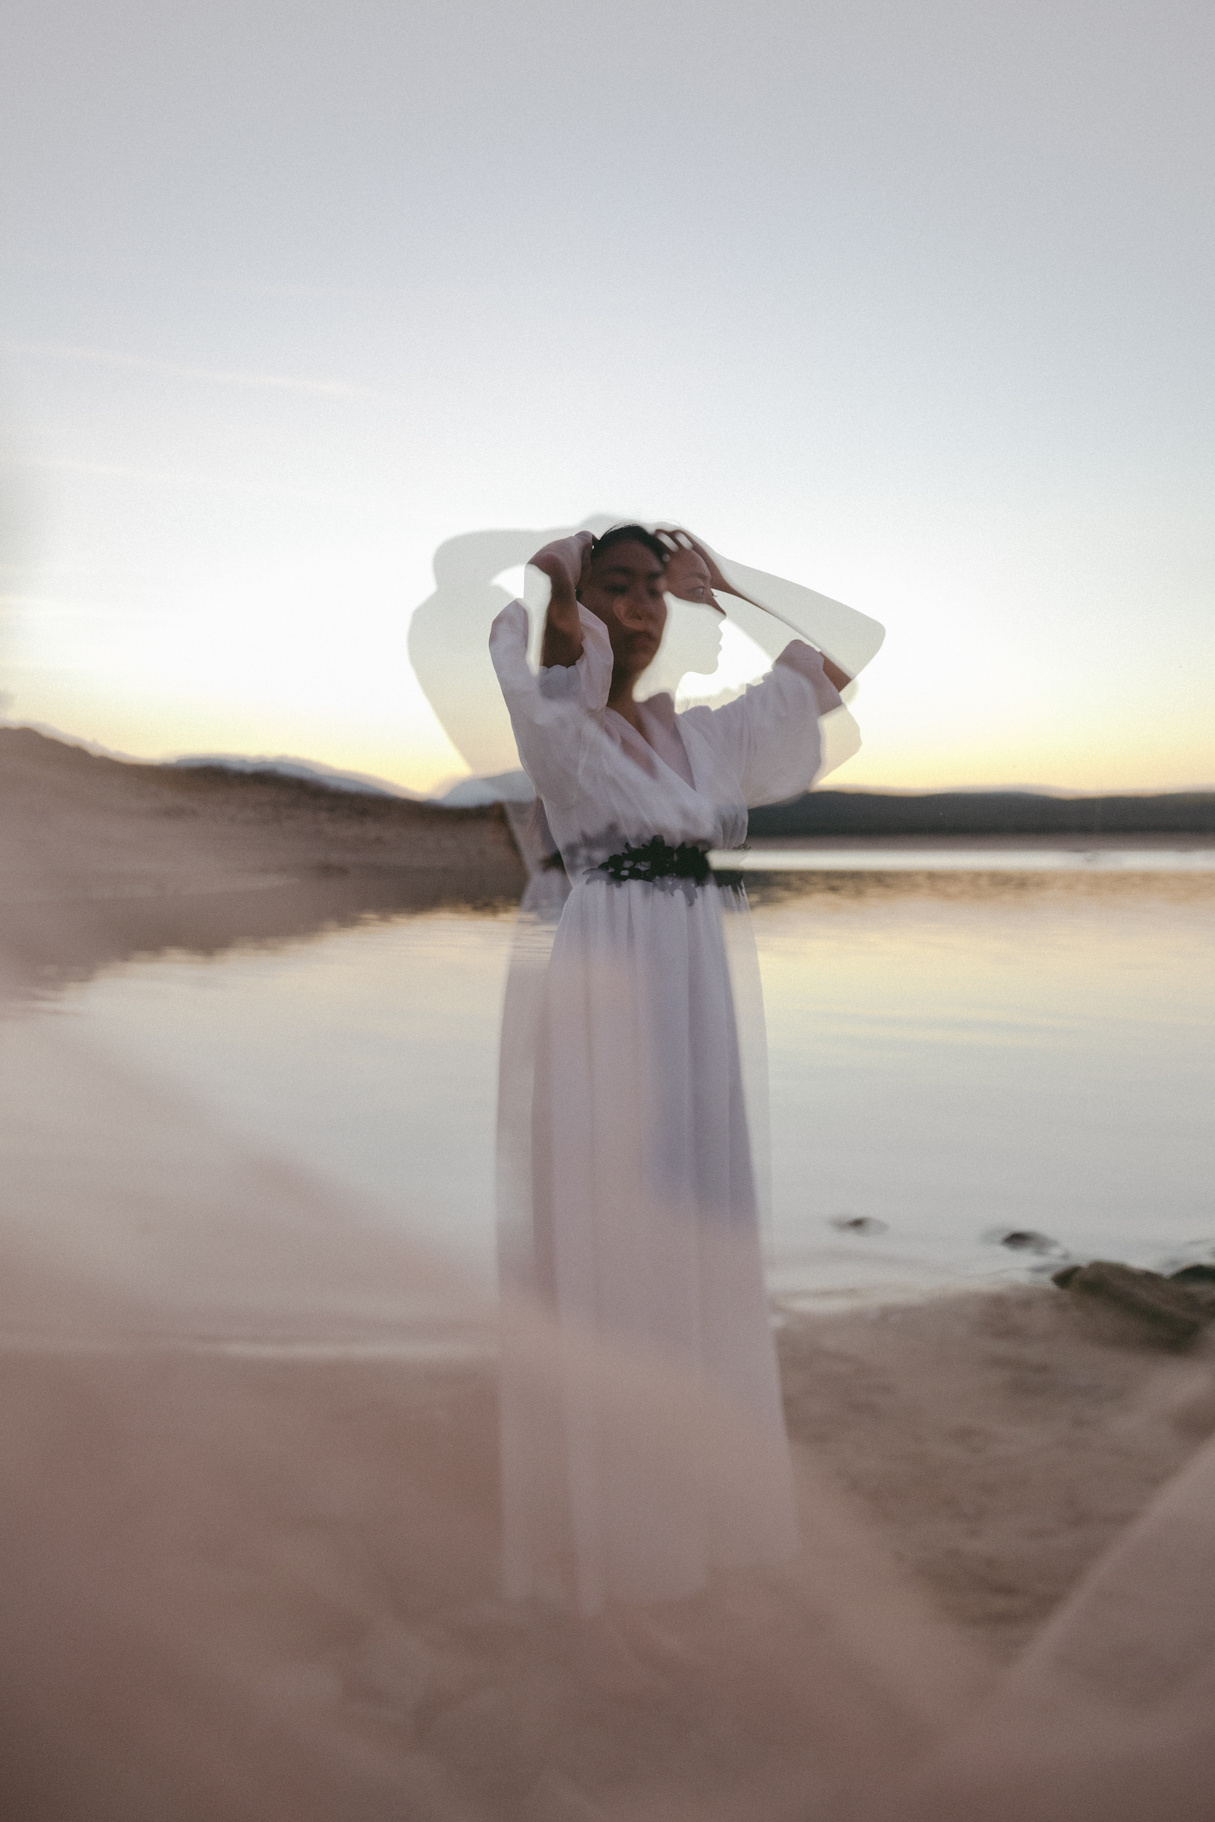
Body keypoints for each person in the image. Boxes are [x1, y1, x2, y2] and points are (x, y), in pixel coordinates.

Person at [489, 523, 863, 1615]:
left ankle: (692, 1524)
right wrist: (563, 575)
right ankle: (611, 1546)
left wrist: (729, 590)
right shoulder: (550, 698)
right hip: (608, 975)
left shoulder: (703, 739)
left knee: (700, 1215)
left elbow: (845, 657)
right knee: (614, 1227)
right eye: (625, 586)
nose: (648, 606)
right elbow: (562, 647)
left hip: (694, 973)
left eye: (657, 588)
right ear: (581, 597)